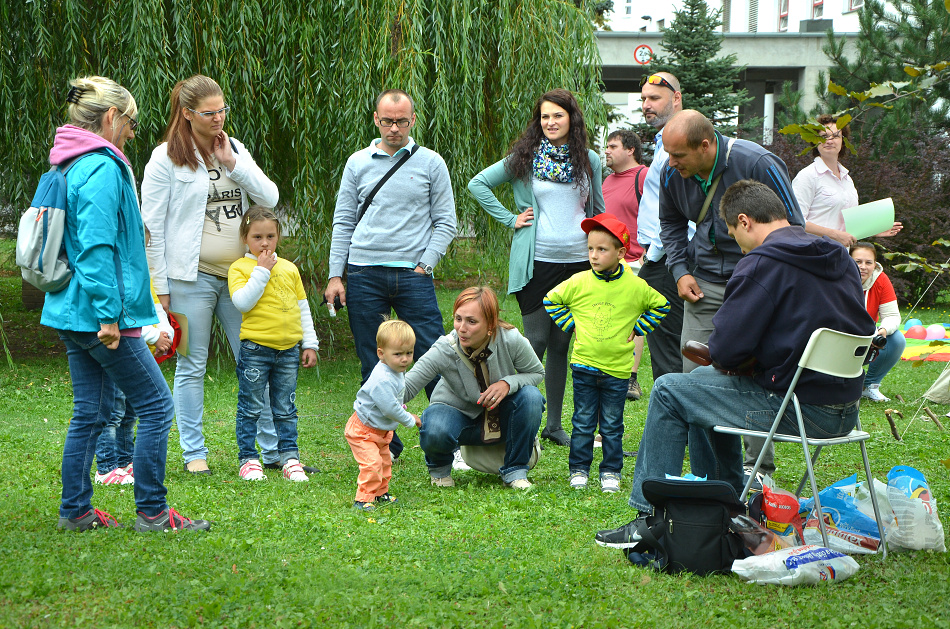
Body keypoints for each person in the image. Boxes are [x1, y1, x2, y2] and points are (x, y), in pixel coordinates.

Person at [595, 180, 875, 548]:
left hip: (798, 408)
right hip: (845, 407)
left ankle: (651, 519)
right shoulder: (837, 255)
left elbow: (725, 351)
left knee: (669, 390)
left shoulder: (762, 262)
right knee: (698, 388)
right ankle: (725, 507)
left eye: (731, 233)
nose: (735, 243)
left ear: (744, 221)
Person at [44, 75, 209, 532]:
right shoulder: (100, 167)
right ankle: (154, 512)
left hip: (72, 310)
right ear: (112, 117)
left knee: (90, 412)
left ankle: (75, 512)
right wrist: (109, 316)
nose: (134, 132)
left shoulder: (70, 162)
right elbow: (96, 249)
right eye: (131, 122)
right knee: (157, 406)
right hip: (99, 315)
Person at [142, 75, 316, 476]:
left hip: (243, 276)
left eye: (223, 110)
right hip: (191, 279)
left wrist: (233, 165)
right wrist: (161, 290)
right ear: (187, 114)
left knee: (259, 360)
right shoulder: (164, 159)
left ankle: (273, 452)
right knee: (191, 365)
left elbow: (268, 199)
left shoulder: (233, 148)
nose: (218, 119)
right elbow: (151, 229)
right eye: (209, 113)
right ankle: (194, 453)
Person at [660, 109, 806, 478]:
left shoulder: (757, 162)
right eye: (669, 154)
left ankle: (759, 470)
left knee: (753, 374)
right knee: (694, 378)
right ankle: (710, 473)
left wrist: (764, 281)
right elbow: (671, 224)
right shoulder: (671, 173)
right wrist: (680, 271)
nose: (670, 163)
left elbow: (793, 227)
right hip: (702, 284)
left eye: (678, 156)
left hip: (757, 286)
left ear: (706, 145)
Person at [325, 88, 457, 460]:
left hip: (413, 275)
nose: (394, 128)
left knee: (434, 356)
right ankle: (383, 443)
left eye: (401, 121)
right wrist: (337, 275)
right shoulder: (357, 163)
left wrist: (425, 264)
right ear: (376, 120)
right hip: (364, 271)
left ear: (413, 120)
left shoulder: (431, 163)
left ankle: (444, 439)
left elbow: (446, 221)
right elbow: (343, 221)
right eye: (387, 121)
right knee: (373, 359)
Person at [468, 89, 605, 447]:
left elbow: (599, 211)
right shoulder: (524, 158)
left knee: (562, 342)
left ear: (571, 119)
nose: (550, 122)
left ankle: (554, 425)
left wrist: (608, 249)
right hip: (536, 262)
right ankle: (519, 416)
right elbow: (478, 184)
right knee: (538, 340)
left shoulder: (589, 159)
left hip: (577, 264)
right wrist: (509, 218)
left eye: (557, 116)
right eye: (545, 116)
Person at [543, 214, 669, 492]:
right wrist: (570, 325)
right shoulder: (579, 281)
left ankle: (611, 471)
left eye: (602, 249)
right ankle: (579, 468)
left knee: (612, 424)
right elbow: (550, 299)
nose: (594, 255)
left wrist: (639, 327)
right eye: (590, 249)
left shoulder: (635, 286)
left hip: (617, 369)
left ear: (621, 253)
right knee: (583, 421)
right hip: (584, 366)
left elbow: (661, 305)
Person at [407, 287, 545, 489]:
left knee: (531, 397)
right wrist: (376, 395)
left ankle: (515, 471)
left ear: (490, 325)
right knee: (436, 425)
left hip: (502, 415)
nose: (461, 328)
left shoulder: (510, 339)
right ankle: (440, 471)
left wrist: (507, 383)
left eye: (471, 321)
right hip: (458, 416)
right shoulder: (444, 348)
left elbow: (537, 373)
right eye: (458, 318)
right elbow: (408, 386)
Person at [228, 207, 319, 481]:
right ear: (245, 238)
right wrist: (261, 271)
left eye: (270, 236)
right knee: (251, 405)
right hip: (256, 349)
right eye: (257, 237)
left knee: (286, 407)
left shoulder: (290, 269)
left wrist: (309, 343)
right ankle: (248, 458)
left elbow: (302, 307)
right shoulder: (241, 268)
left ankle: (290, 457)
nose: (264, 243)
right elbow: (242, 302)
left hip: (288, 350)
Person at [635, 73, 686, 383]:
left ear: (676, 99)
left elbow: (681, 209)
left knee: (668, 351)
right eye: (643, 99)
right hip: (666, 255)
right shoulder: (663, 141)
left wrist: (653, 255)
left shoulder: (679, 142)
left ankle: (669, 428)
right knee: (670, 346)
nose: (646, 105)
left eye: (654, 98)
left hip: (667, 258)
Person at [94, 296, 174, 486]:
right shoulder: (122, 277)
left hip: (138, 355)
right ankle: (106, 467)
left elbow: (159, 313)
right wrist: (155, 337)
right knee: (114, 411)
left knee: (130, 414)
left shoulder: (147, 281)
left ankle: (125, 460)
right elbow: (125, 316)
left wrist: (164, 333)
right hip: (117, 350)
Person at [345, 319, 422, 511]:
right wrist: (409, 419)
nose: (405, 359)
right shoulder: (383, 378)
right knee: (372, 463)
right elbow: (389, 408)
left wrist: (400, 406)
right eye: (398, 354)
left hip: (380, 430)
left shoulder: (395, 370)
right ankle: (363, 499)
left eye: (409, 353)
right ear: (381, 354)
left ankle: (380, 493)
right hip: (363, 430)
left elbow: (393, 400)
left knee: (385, 462)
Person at [793, 114, 902, 247]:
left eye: (835, 136)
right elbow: (796, 221)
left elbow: (848, 224)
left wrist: (874, 229)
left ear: (843, 141)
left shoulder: (847, 179)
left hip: (841, 257)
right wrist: (834, 235)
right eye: (824, 136)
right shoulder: (807, 176)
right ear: (815, 142)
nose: (829, 140)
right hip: (813, 255)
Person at [603, 129, 650, 400]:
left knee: (634, 319)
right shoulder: (607, 181)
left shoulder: (643, 176)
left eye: (613, 146)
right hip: (607, 262)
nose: (607, 151)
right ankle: (612, 373)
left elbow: (659, 213)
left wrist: (648, 252)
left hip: (635, 260)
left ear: (630, 149)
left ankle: (631, 379)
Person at [851, 242, 906, 402]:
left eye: (868, 262)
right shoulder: (837, 277)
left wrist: (883, 330)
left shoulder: (880, 279)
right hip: (840, 334)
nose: (863, 267)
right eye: (858, 261)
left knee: (896, 339)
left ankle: (869, 386)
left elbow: (892, 316)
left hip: (867, 332)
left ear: (875, 264)